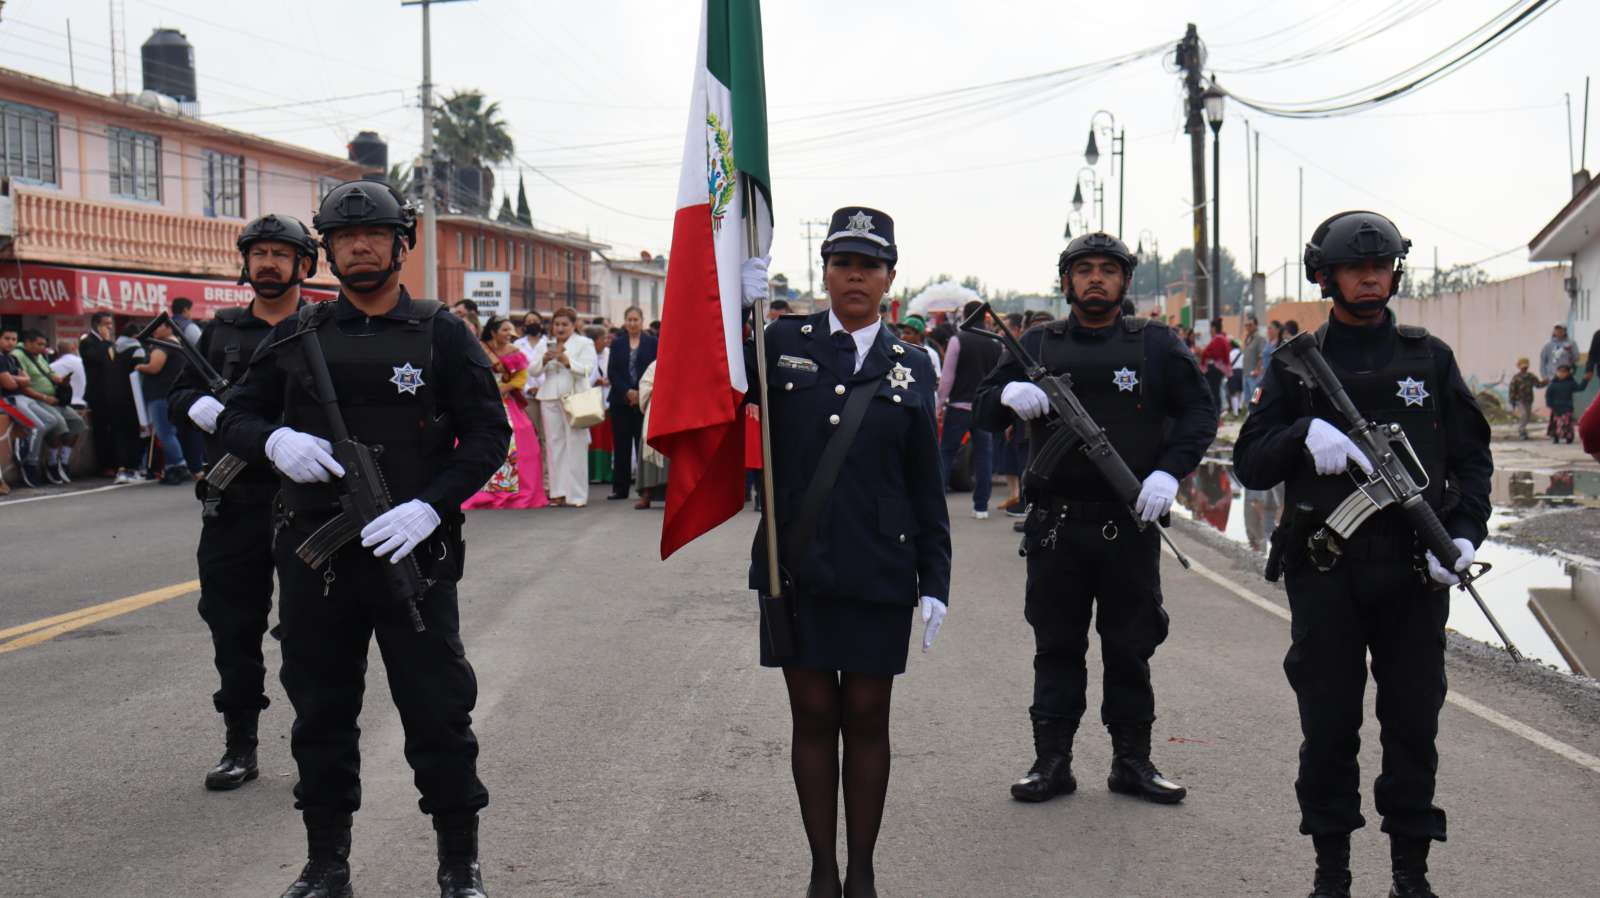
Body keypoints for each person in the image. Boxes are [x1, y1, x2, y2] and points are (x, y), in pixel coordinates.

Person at [218, 178, 509, 898]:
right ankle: (326, 864)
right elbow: (232, 418)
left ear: (401, 245)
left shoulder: (442, 332)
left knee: (438, 708)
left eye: (374, 236)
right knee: (320, 710)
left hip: (414, 554)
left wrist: (430, 506)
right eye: (346, 238)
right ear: (328, 250)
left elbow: (487, 436)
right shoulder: (295, 336)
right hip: (317, 558)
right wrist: (274, 440)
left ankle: (458, 863)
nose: (360, 247)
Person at [1233, 210, 1493, 898]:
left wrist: (1464, 535)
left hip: (1414, 571)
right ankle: (1332, 873)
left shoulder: (1428, 357)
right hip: (1326, 570)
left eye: (1380, 266)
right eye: (1355, 267)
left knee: (1413, 723)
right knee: (1328, 726)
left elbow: (1472, 459)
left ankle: (1411, 873)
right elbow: (1251, 463)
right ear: (1327, 276)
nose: (1371, 277)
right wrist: (1302, 433)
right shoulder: (1294, 366)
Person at [744, 207, 950, 898]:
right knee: (812, 718)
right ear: (825, 272)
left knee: (866, 717)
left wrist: (936, 580)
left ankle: (861, 871)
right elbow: (713, 379)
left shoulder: (912, 363)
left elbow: (927, 481)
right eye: (842, 262)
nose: (854, 275)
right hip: (794, 566)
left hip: (879, 567)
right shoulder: (776, 342)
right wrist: (732, 300)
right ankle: (822, 872)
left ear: (891, 278)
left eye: (869, 264)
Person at [973, 231, 1216, 810]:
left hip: (1127, 523)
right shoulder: (1038, 343)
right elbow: (980, 406)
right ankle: (1051, 762)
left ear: (1125, 282)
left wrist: (1169, 473)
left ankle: (1132, 761)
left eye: (1109, 269)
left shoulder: (1155, 345)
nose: (1096, 279)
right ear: (1066, 282)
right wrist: (1010, 392)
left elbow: (1199, 412)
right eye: (1084, 270)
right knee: (1056, 644)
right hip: (1056, 526)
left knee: (1130, 646)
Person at [168, 212, 318, 791]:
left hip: (306, 503)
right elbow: (180, 391)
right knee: (233, 626)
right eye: (259, 253)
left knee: (310, 631)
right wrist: (198, 407)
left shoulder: (320, 328)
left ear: (304, 264)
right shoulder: (220, 332)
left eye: (282, 254)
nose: (269, 263)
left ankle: (316, 748)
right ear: (245, 263)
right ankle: (240, 744)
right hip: (233, 500)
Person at [463, 316, 548, 510]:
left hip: (506, 400)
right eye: (505, 330)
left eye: (511, 330)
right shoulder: (479, 349)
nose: (510, 334)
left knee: (521, 436)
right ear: (493, 332)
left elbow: (521, 379)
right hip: (483, 401)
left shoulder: (515, 352)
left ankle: (514, 491)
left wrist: (504, 387)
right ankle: (483, 491)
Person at [937, 299, 1001, 518]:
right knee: (984, 456)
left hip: (959, 406)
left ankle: (937, 503)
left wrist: (939, 403)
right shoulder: (995, 342)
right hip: (984, 407)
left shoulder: (958, 340)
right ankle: (981, 507)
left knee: (946, 453)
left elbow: (947, 377)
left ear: (965, 315)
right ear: (984, 317)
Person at [534, 306, 596, 507]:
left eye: (564, 324)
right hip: (550, 396)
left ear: (574, 325)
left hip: (574, 397)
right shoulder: (545, 343)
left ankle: (577, 494)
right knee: (554, 445)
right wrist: (544, 359)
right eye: (557, 324)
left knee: (576, 444)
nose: (560, 328)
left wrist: (567, 361)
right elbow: (531, 370)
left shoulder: (584, 343)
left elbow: (589, 368)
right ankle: (558, 492)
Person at [11, 329, 89, 483]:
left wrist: (62, 381)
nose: (43, 348)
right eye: (39, 344)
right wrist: (44, 397)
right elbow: (22, 385)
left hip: (54, 399)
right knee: (55, 423)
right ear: (28, 342)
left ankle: (63, 462)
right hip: (37, 400)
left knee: (77, 423)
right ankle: (51, 463)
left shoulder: (40, 356)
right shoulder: (18, 356)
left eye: (44, 345)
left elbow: (50, 374)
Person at [605, 306, 657, 503]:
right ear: (625, 322)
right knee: (621, 445)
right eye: (629, 320)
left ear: (642, 321)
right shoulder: (617, 344)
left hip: (644, 401)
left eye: (636, 320)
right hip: (620, 400)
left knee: (642, 444)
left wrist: (639, 392)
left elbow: (654, 369)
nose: (633, 323)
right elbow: (613, 372)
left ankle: (645, 489)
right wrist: (627, 391)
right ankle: (620, 488)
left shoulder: (652, 342)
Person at [134, 320, 192, 484]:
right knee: (169, 431)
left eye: (157, 326)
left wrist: (139, 367)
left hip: (160, 395)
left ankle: (179, 464)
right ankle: (172, 467)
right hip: (172, 393)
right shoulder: (178, 344)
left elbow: (154, 366)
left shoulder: (163, 345)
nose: (153, 331)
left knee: (164, 432)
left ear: (168, 327)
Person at [77, 312, 119, 475]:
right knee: (102, 430)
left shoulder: (108, 342)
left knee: (114, 429)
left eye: (110, 323)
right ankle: (105, 465)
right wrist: (105, 342)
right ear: (96, 325)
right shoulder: (88, 342)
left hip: (111, 391)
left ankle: (116, 462)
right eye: (106, 323)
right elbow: (96, 358)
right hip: (97, 393)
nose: (109, 327)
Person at [1546, 363, 1590, 444]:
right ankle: (1556, 437)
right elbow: (1548, 395)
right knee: (1556, 423)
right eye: (1559, 372)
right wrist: (1549, 404)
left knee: (1566, 423)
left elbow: (1580, 388)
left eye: (1564, 372)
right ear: (1556, 373)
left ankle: (1568, 437)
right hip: (1556, 407)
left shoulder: (1571, 383)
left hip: (1567, 407)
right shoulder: (1553, 384)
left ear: (1568, 373)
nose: (1561, 374)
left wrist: (1585, 380)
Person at [1200, 317, 1231, 417]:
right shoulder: (1222, 338)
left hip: (1214, 369)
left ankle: (1216, 415)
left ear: (1213, 328)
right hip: (1218, 370)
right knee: (1216, 393)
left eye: (1210, 328)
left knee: (1214, 393)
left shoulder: (1218, 339)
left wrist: (1202, 352)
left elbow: (1213, 354)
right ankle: (1217, 415)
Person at [1507, 357, 1544, 440]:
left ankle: (1523, 431)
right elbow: (1512, 389)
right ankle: (1521, 431)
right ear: (1519, 366)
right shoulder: (1516, 377)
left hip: (1529, 399)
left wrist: (1545, 382)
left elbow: (1538, 385)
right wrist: (1512, 400)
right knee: (1523, 414)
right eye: (1522, 366)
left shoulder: (1531, 376)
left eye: (1525, 366)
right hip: (1519, 400)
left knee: (1527, 416)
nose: (1524, 368)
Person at [1240, 315, 1266, 413]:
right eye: (1246, 325)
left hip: (1255, 375)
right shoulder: (1248, 338)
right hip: (1246, 373)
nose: (1248, 327)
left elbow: (1261, 355)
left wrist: (1257, 369)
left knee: (1256, 398)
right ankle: (1251, 416)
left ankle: (1258, 415)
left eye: (1250, 325)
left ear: (1256, 325)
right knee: (1247, 399)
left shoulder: (1260, 338)